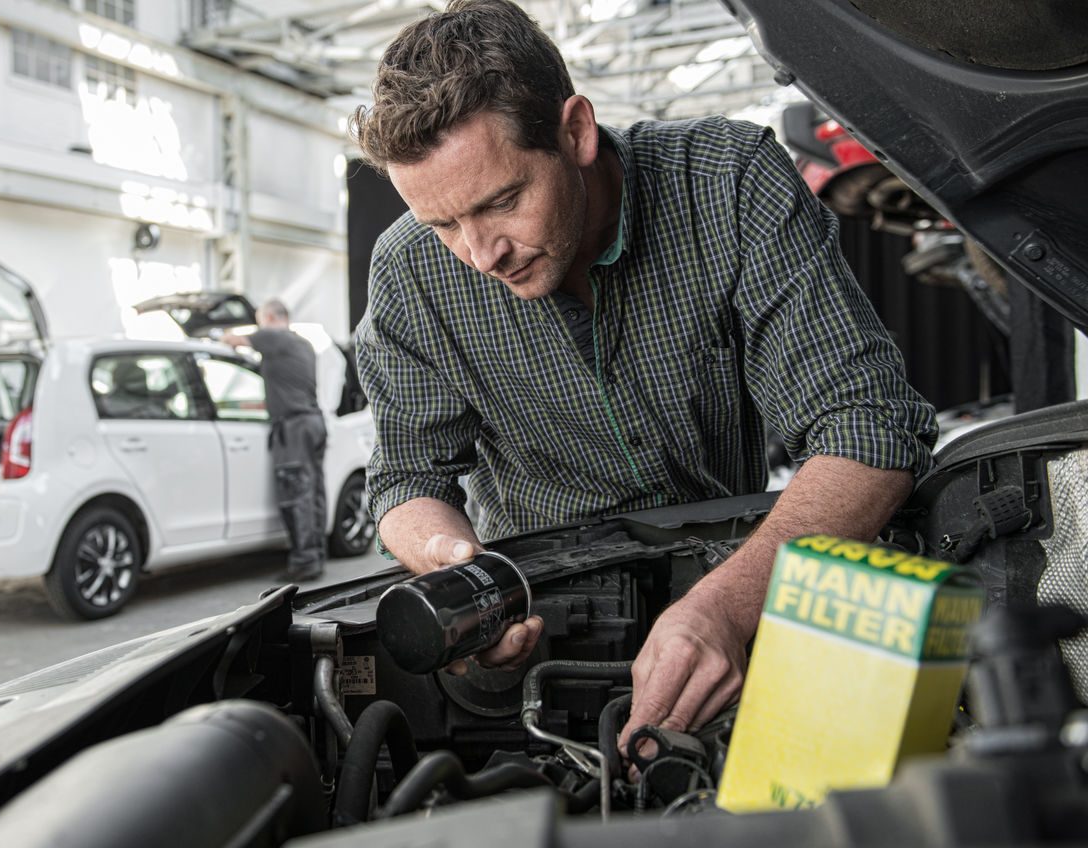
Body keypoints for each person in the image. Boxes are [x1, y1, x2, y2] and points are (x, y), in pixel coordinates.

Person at [349, 0, 937, 751]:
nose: (479, 253)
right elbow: (406, 486)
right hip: (541, 631)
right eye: (441, 224)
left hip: (746, 589)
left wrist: (728, 605)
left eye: (502, 202)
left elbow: (871, 429)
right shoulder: (408, 273)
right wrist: (457, 570)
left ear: (576, 132)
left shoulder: (729, 184)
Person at [224, 300, 328, 581]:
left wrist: (221, 337)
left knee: (297, 493)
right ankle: (316, 553)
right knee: (314, 491)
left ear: (269, 317)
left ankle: (305, 562)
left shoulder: (273, 336)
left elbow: (232, 339)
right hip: (312, 422)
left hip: (293, 427)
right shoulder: (302, 344)